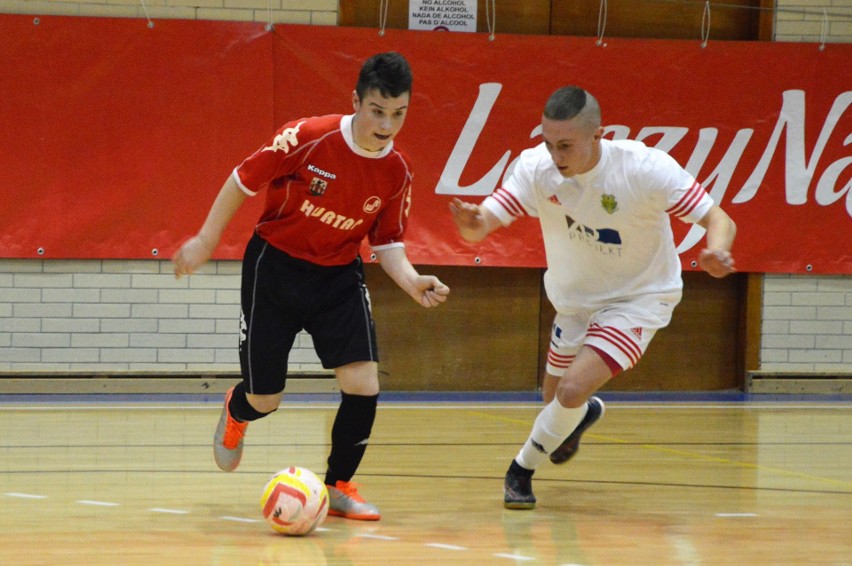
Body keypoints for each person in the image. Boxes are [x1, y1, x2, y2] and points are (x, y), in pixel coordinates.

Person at [172, 52, 450, 521]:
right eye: (377, 111)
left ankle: (339, 485)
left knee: (364, 383)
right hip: (275, 270)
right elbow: (242, 179)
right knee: (266, 397)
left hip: (338, 277)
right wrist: (205, 239)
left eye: (398, 114)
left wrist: (411, 281)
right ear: (357, 101)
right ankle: (238, 412)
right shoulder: (308, 137)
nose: (386, 124)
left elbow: (386, 243)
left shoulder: (398, 171)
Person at [450, 86, 736, 510]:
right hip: (575, 302)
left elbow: (718, 217)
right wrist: (471, 224)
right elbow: (481, 227)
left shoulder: (644, 167)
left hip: (640, 297)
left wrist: (717, 250)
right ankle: (579, 417)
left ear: (598, 135)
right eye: (548, 144)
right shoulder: (535, 168)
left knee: (569, 391)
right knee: (553, 404)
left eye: (565, 145)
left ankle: (519, 471)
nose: (555, 155)